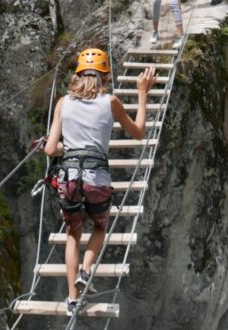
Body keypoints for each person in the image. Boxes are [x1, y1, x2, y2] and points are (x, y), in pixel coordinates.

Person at [44, 49, 156, 314]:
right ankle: (85, 269)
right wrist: (142, 93)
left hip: (70, 178)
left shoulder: (63, 103)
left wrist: (65, 149)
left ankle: (72, 299)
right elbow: (139, 132)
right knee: (99, 227)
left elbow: (49, 150)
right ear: (104, 77)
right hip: (97, 179)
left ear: (79, 74)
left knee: (72, 236)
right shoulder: (111, 102)